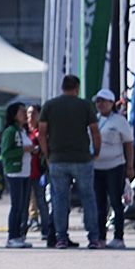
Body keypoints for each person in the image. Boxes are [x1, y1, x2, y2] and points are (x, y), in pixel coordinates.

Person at [38, 75, 102, 249]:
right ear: (77, 88)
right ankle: (93, 238)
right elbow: (95, 132)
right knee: (88, 198)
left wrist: (47, 154)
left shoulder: (49, 106)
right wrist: (96, 151)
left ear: (62, 87)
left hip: (58, 159)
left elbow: (41, 133)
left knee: (59, 199)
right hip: (82, 158)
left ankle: (61, 238)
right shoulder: (85, 105)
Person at [92, 89, 134, 249]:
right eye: (98, 101)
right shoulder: (94, 120)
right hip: (97, 168)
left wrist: (129, 166)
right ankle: (100, 237)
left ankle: (118, 237)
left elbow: (128, 143)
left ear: (111, 103)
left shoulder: (119, 120)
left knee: (116, 202)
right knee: (99, 203)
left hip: (115, 166)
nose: (100, 104)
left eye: (103, 101)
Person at [0, 102, 35, 248]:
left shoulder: (23, 130)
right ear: (14, 115)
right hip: (15, 172)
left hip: (25, 172)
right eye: (22, 111)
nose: (25, 114)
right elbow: (6, 153)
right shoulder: (10, 131)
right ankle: (12, 236)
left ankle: (20, 235)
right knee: (16, 206)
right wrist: (23, 150)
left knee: (23, 206)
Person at [26, 104, 53, 245]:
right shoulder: (24, 131)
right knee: (25, 202)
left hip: (38, 172)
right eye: (28, 113)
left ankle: (46, 230)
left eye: (33, 113)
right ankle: (25, 227)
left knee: (41, 201)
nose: (30, 116)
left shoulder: (41, 132)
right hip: (24, 173)